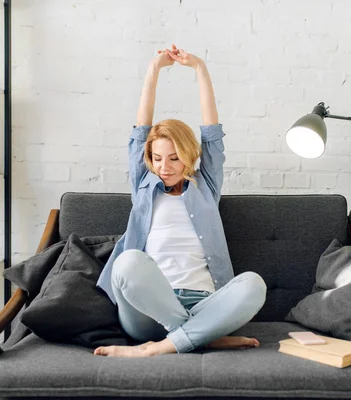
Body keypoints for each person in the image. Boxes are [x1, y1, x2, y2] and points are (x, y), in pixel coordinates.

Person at [94, 45, 267, 357]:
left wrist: (200, 68)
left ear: (188, 154)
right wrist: (153, 70)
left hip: (204, 304)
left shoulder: (206, 186)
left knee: (254, 284)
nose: (164, 166)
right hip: (147, 311)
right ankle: (198, 337)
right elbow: (141, 128)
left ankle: (162, 347)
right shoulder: (144, 185)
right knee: (127, 262)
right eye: (157, 158)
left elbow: (212, 133)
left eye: (174, 158)